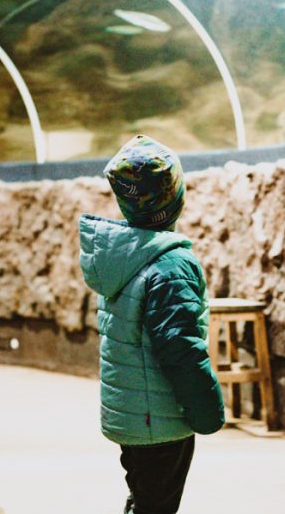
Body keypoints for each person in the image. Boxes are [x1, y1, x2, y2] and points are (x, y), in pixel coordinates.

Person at [78, 134, 225, 514]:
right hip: (159, 419)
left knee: (145, 496)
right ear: (175, 196)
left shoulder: (120, 257)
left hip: (132, 415)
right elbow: (179, 348)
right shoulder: (170, 265)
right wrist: (207, 411)